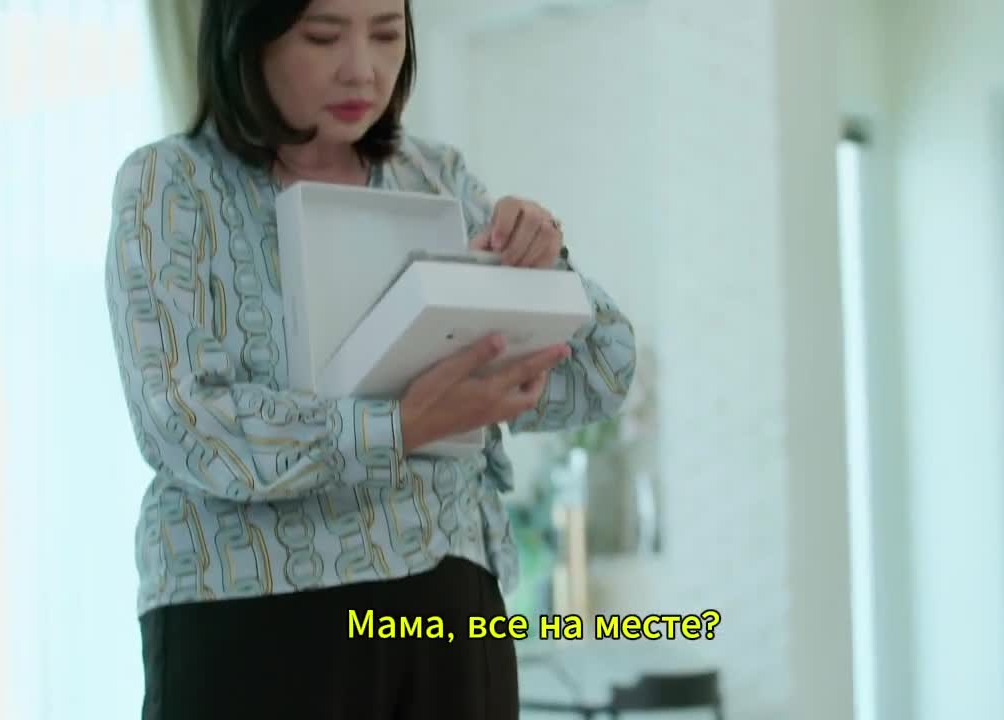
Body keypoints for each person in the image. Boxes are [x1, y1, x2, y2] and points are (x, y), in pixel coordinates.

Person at [103, 0, 636, 718]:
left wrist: (546, 263)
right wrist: (400, 426)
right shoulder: (171, 184)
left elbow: (600, 374)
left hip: (447, 608)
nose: (363, 69)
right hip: (249, 612)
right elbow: (186, 424)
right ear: (247, 36)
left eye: (387, 34)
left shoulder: (437, 175)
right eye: (323, 36)